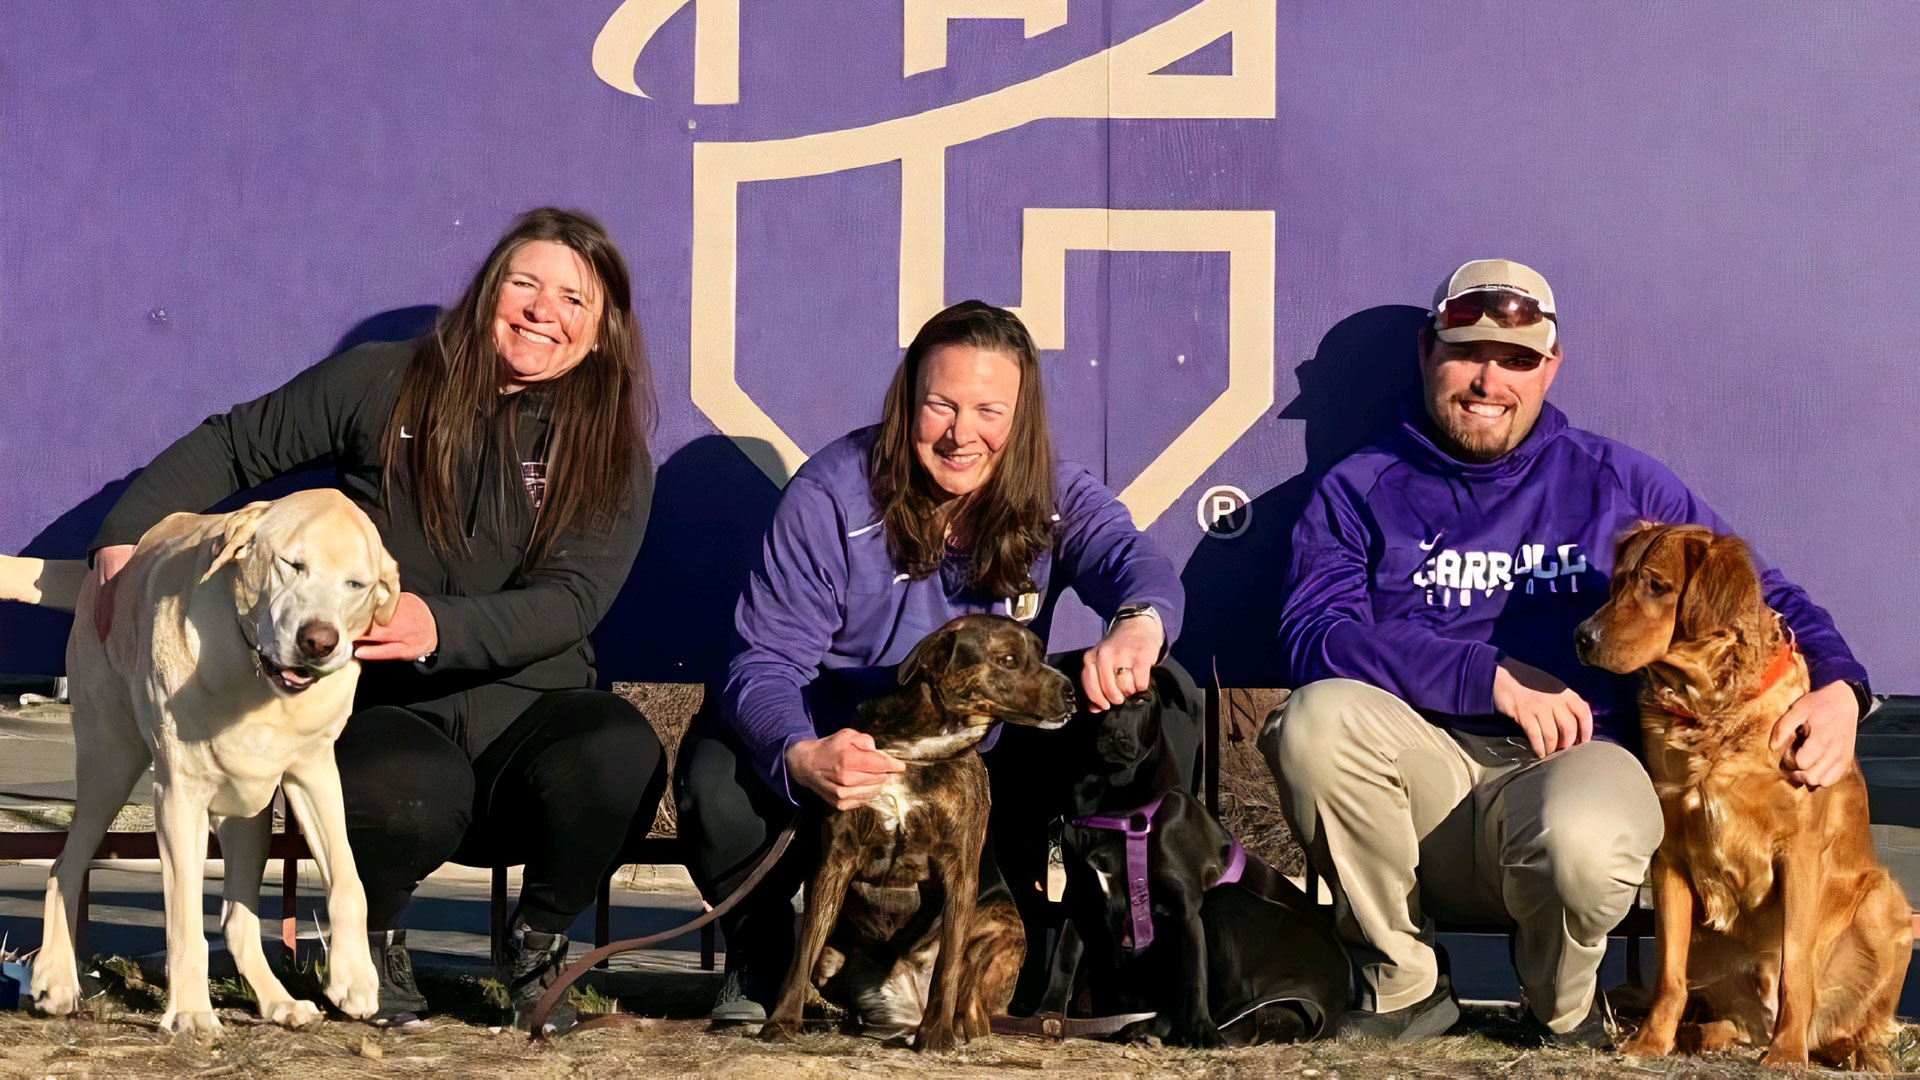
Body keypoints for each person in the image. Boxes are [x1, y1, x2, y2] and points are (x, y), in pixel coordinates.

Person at [1259, 259, 1870, 1047]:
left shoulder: (1615, 480)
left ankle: (1563, 1010)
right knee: (1313, 722)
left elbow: (1761, 594)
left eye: (1516, 360)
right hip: (1418, 782)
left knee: (1592, 826)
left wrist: (1842, 690)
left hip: (1571, 767)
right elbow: (1315, 634)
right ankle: (1404, 986)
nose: (1488, 380)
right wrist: (1486, 676)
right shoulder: (1360, 486)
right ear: (1426, 352)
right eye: (1466, 352)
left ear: (1551, 368)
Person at [88, 208, 666, 1033]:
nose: (544, 310)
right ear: (486, 293)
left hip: (529, 712)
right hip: (391, 709)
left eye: (575, 299)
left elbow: (575, 600)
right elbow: (235, 445)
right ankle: (376, 937)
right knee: (391, 784)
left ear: (604, 331)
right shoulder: (382, 380)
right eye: (525, 283)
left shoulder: (610, 448)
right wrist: (123, 535)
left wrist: (442, 628)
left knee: (621, 751)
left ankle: (536, 944)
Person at [677, 300, 1201, 1024]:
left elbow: (1134, 562)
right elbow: (765, 660)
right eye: (941, 406)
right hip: (844, 743)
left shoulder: (1049, 492)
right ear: (905, 404)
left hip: (975, 762)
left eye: (990, 409)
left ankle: (1124, 956)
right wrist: (800, 752)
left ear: (1020, 417)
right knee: (719, 778)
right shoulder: (832, 496)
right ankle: (765, 952)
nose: (963, 434)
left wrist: (1139, 626)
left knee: (1138, 702)